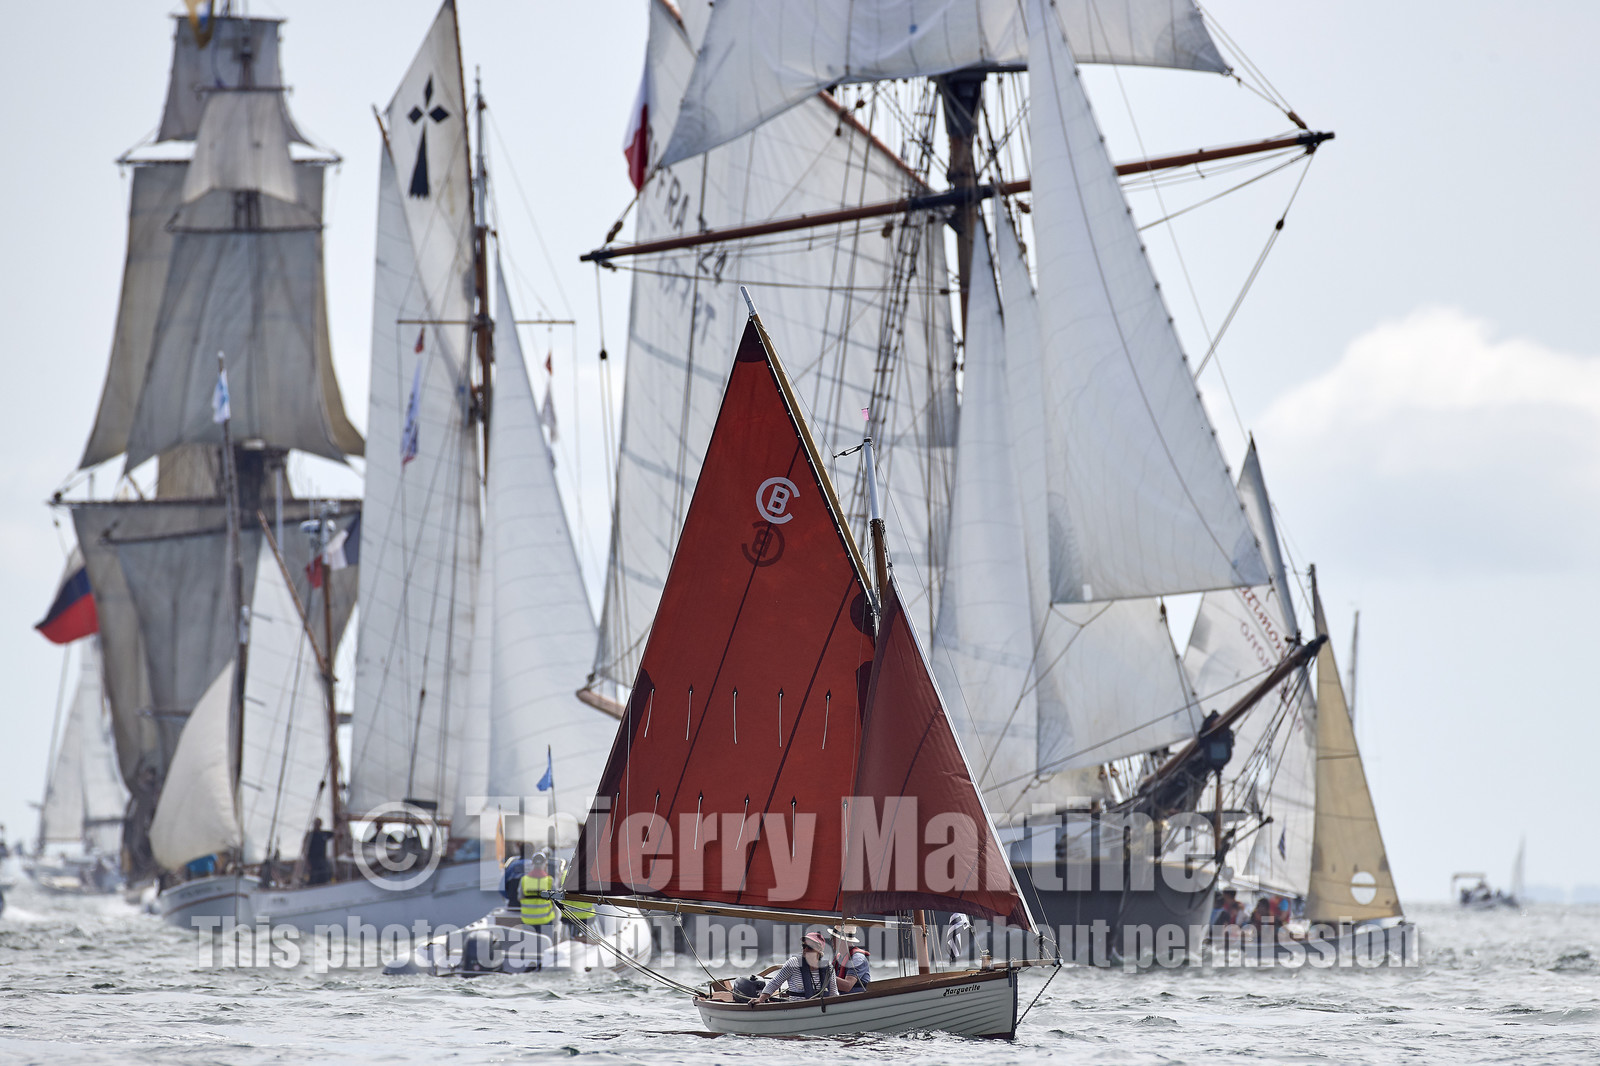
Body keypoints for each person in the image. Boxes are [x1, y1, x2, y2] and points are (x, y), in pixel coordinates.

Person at [754, 932, 837, 1003]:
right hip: (796, 1008)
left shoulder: (828, 968)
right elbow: (775, 983)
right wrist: (760, 999)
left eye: (810, 947)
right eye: (804, 946)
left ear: (819, 950)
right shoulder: (793, 963)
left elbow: (833, 993)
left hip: (821, 1009)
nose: (805, 950)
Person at [519, 852, 558, 931]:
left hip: (527, 920)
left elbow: (520, 897)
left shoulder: (524, 880)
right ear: (545, 864)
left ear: (532, 863)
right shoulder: (549, 880)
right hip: (545, 919)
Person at [830, 926, 871, 993]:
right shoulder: (839, 957)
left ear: (842, 940)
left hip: (856, 998)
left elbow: (847, 986)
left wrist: (825, 975)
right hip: (841, 997)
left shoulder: (858, 958)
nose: (832, 941)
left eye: (833, 938)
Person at [303, 818, 334, 885]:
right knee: (313, 878)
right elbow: (304, 849)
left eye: (318, 824)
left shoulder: (324, 834)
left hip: (322, 860)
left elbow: (336, 834)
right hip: (312, 860)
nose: (317, 825)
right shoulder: (310, 835)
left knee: (324, 878)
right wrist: (307, 863)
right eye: (316, 823)